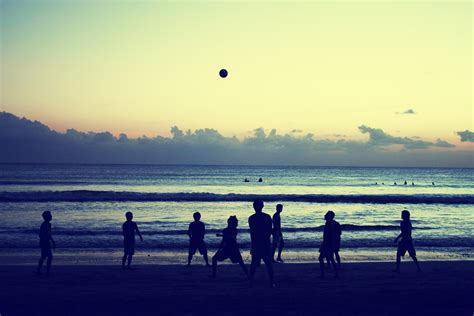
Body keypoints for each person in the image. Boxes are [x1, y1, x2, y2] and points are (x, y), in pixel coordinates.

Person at [248, 199, 275, 287]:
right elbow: (270, 231)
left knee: (254, 264)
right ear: (262, 206)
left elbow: (253, 234)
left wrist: (253, 246)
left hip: (257, 244)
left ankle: (251, 282)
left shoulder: (251, 218)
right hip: (265, 243)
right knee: (268, 264)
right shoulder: (267, 217)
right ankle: (271, 282)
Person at [318, 211, 339, 278]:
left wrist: (333, 244)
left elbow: (334, 235)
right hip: (327, 243)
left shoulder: (331, 224)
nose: (325, 215)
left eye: (326, 215)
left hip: (328, 244)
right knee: (330, 258)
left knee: (322, 258)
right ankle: (334, 273)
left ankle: (323, 274)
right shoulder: (329, 223)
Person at [36, 211, 55, 275]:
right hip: (45, 242)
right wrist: (49, 241)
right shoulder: (45, 224)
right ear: (46, 217)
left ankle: (39, 270)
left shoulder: (48, 224)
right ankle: (47, 271)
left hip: (45, 242)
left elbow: (48, 234)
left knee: (44, 256)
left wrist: (52, 241)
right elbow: (41, 234)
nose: (51, 216)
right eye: (50, 215)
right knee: (49, 256)